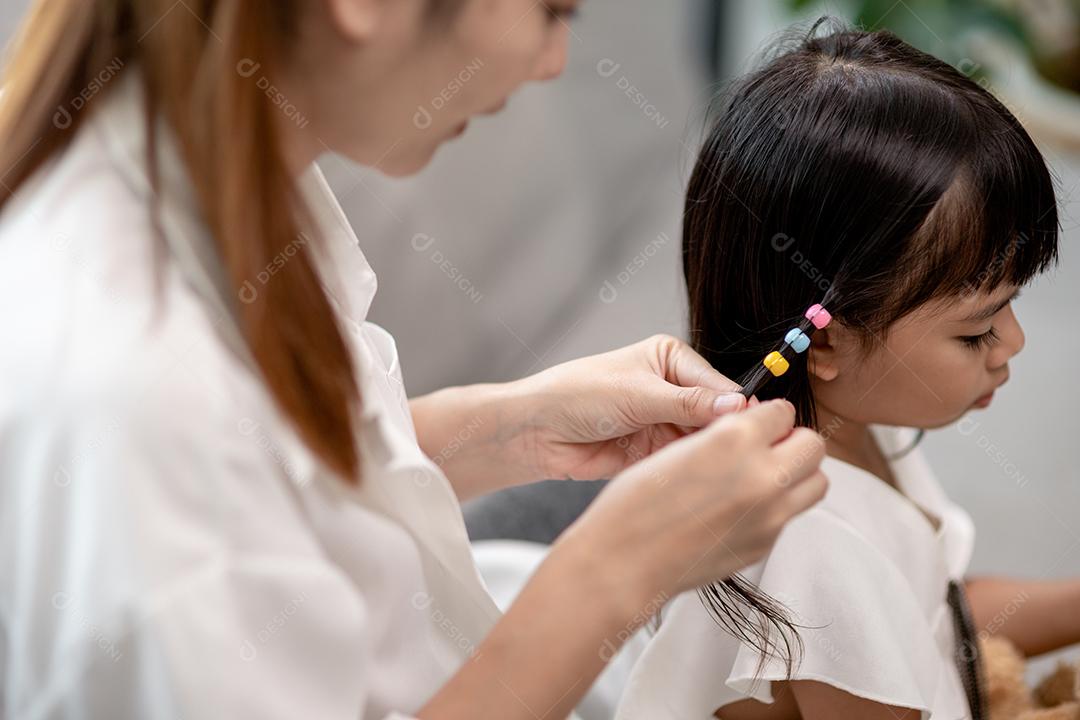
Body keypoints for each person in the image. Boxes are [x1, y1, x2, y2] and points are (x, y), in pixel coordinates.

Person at [0, 1, 829, 718]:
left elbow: (277, 476)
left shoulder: (217, 183)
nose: (554, 63)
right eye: (552, 11)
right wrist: (616, 573)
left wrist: (512, 428)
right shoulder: (126, 390)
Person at [614, 22, 1075, 720]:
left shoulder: (844, 424)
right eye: (978, 327)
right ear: (823, 341)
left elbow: (937, 618)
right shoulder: (816, 542)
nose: (1010, 343)